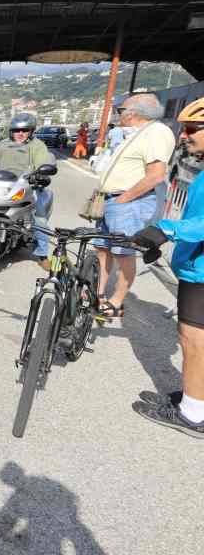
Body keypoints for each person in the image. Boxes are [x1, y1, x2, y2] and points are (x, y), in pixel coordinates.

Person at [131, 98, 204, 438]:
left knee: (193, 340)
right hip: (195, 266)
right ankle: (196, 398)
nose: (184, 135)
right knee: (194, 339)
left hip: (202, 273)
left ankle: (192, 415)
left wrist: (165, 230)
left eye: (192, 129)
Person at [93, 93, 175, 319]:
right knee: (102, 250)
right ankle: (97, 294)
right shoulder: (136, 134)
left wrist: (123, 199)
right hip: (114, 201)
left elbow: (156, 175)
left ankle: (116, 302)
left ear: (133, 114)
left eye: (121, 110)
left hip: (128, 203)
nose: (119, 114)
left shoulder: (157, 132)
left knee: (123, 253)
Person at [0, 112, 55, 269]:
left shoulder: (37, 146)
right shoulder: (2, 145)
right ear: (11, 131)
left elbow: (43, 164)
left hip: (26, 186)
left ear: (31, 132)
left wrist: (41, 176)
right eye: (17, 131)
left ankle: (42, 254)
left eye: (25, 131)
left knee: (40, 219)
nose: (20, 134)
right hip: (1, 185)